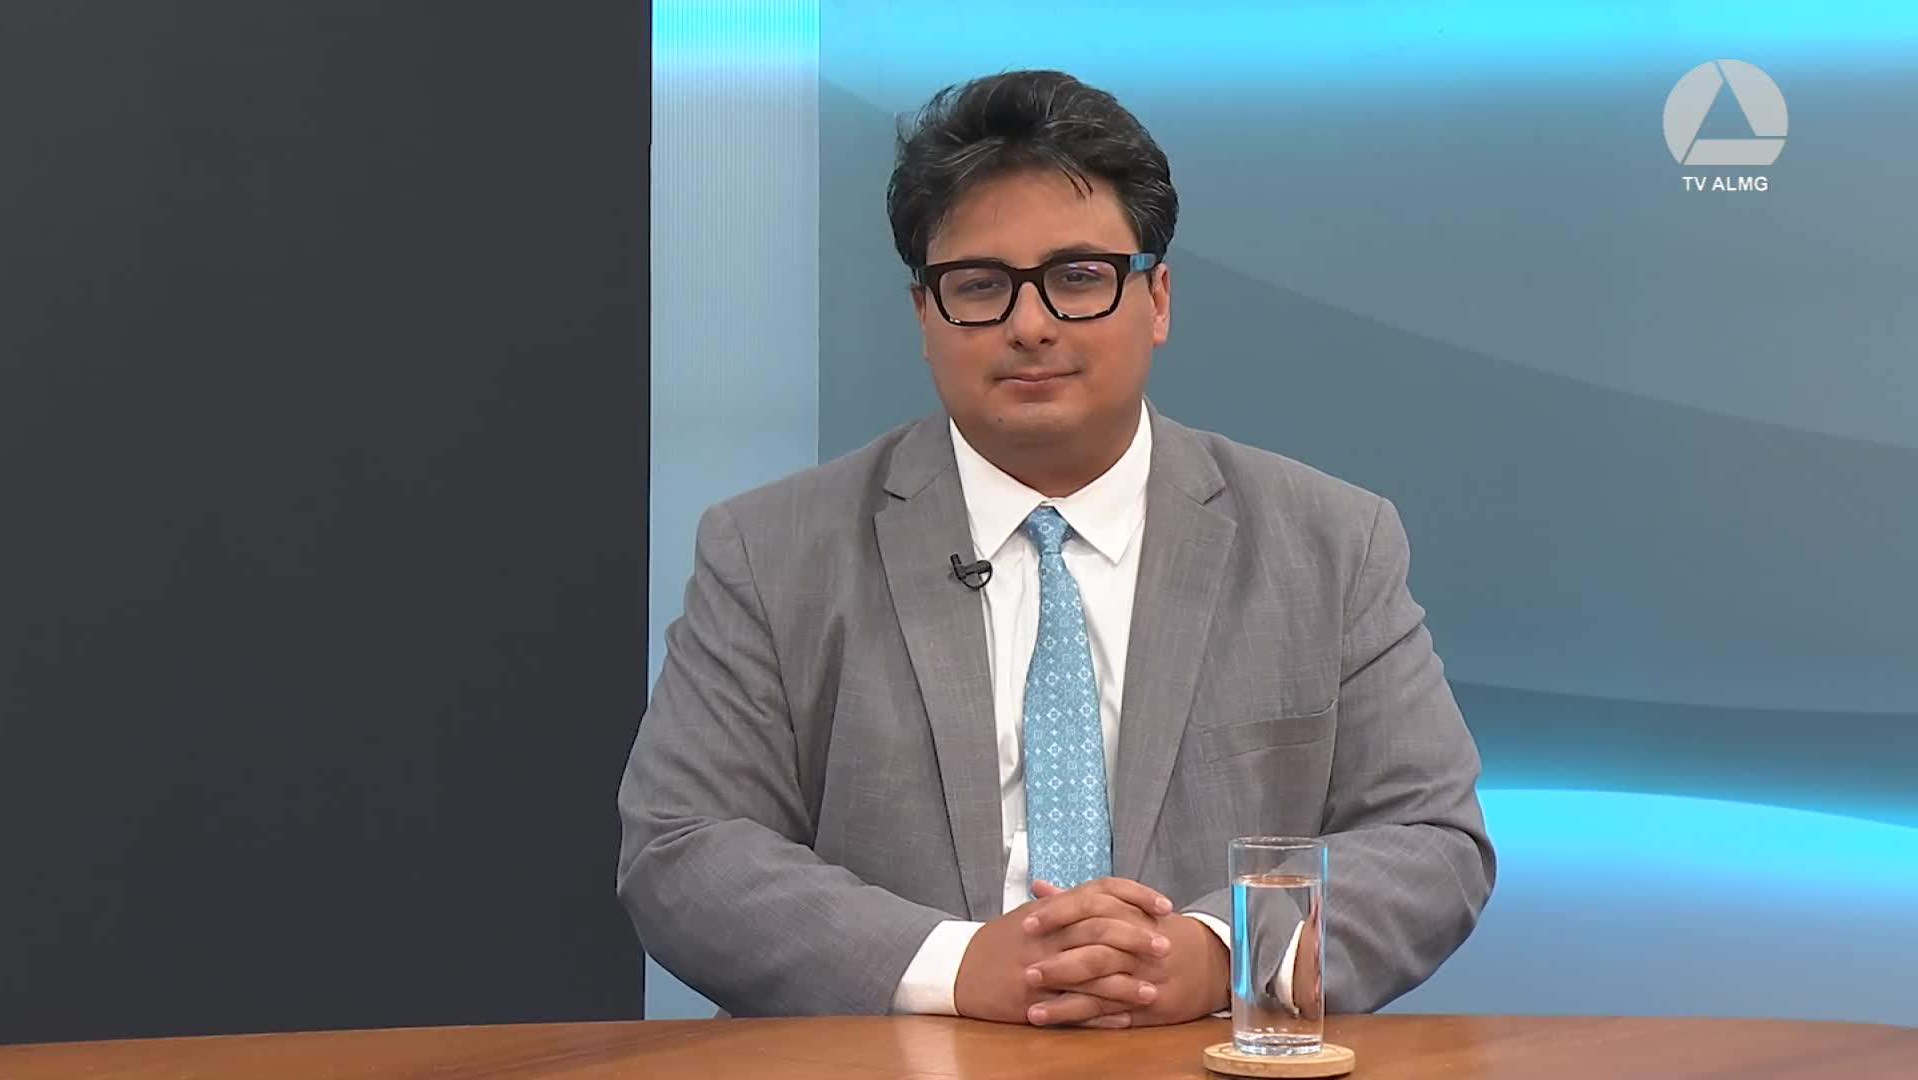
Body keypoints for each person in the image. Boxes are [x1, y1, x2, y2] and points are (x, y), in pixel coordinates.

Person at [618, 68, 1493, 1028]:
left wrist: (1218, 954)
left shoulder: (1331, 543)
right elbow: (682, 846)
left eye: (1078, 278)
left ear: (1157, 299)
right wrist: (959, 968)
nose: (1030, 325)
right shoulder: (770, 552)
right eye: (980, 286)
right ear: (924, 316)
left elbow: (1431, 839)